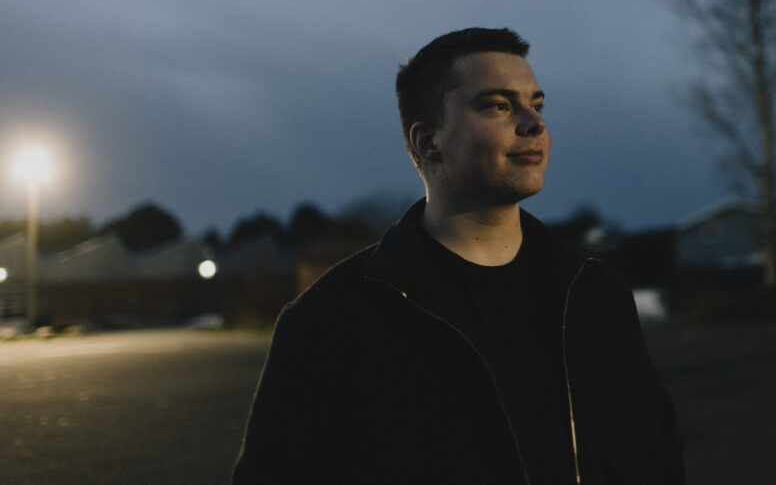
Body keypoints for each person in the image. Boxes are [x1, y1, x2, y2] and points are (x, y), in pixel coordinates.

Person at [232, 27, 685, 484]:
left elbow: (656, 456)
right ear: (428, 141)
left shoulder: (594, 289)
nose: (534, 123)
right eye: (498, 105)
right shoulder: (329, 320)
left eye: (537, 104)